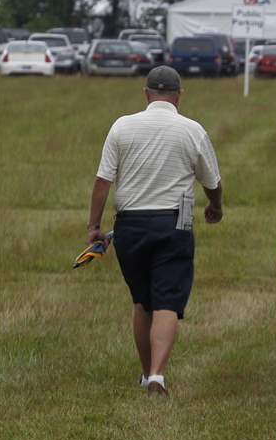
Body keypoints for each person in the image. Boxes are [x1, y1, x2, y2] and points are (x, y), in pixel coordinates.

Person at [87, 66, 223, 397]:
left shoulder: (121, 126)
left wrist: (94, 226)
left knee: (142, 301)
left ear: (146, 94)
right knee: (167, 301)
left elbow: (103, 181)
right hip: (173, 224)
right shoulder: (192, 130)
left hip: (129, 225)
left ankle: (146, 373)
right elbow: (212, 181)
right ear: (179, 95)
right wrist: (215, 205)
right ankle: (158, 376)